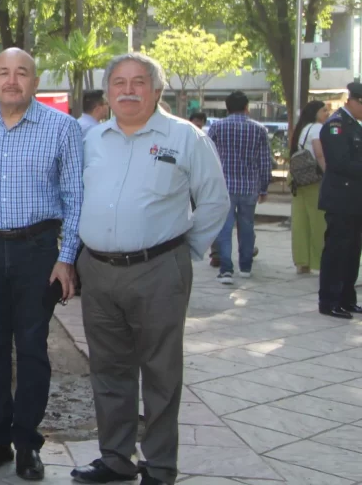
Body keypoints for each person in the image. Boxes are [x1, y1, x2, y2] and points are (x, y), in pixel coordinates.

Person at [72, 53, 228, 485]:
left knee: (160, 372)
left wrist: (183, 252)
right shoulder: (92, 140)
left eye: (138, 82)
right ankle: (116, 458)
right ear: (107, 92)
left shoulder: (185, 138)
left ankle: (159, 466)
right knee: (108, 369)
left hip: (159, 269)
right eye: (118, 82)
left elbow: (214, 201)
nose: (127, 90)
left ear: (156, 91)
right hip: (99, 272)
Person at [0, 48, 82, 481]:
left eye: (22, 73)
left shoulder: (62, 128)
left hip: (37, 252)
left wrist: (67, 259)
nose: (12, 80)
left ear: (35, 79)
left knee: (32, 348)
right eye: (4, 72)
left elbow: (75, 197)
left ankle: (27, 443)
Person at [207, 91, 273, 284]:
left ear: (227, 108)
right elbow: (264, 161)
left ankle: (226, 269)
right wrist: (264, 187)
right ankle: (245, 266)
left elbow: (209, 157)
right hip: (249, 186)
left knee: (224, 229)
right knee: (247, 227)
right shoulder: (259, 129)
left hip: (224, 186)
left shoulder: (217, 127)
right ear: (247, 107)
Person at [317, 82, 362, 319]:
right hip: (340, 199)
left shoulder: (354, 126)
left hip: (355, 200)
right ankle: (329, 300)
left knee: (353, 251)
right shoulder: (336, 126)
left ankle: (346, 298)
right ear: (352, 101)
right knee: (337, 250)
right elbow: (339, 162)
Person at [290, 101, 329, 274]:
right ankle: (319, 262)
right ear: (315, 112)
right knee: (319, 221)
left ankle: (302, 261)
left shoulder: (302, 128)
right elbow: (319, 153)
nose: (327, 113)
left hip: (298, 179)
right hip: (314, 179)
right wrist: (327, 173)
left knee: (300, 221)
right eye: (324, 110)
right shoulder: (317, 129)